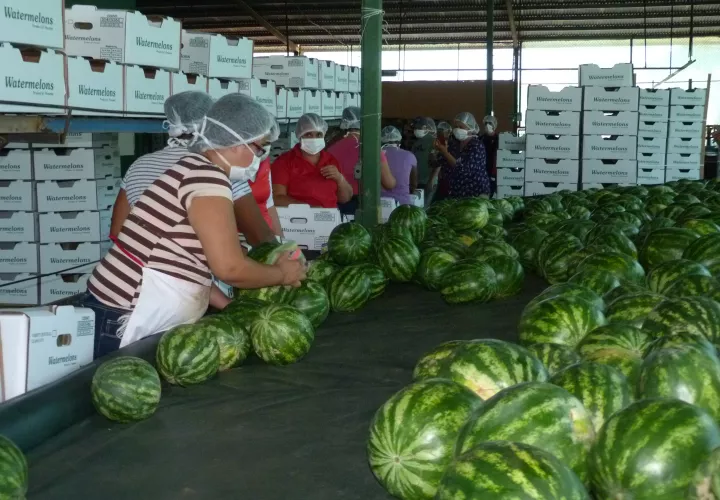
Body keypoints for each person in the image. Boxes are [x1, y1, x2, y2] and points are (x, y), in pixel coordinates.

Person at [78, 94, 306, 359]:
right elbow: (229, 267)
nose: (260, 158)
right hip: (125, 312)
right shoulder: (207, 178)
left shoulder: (194, 168)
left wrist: (229, 306)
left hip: (121, 307)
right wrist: (282, 275)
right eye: (260, 148)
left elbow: (183, 260)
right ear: (236, 142)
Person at [110, 91, 278, 247]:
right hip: (188, 272)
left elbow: (118, 232)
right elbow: (259, 236)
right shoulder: (217, 168)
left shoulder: (138, 165)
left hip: (137, 268)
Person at [272, 113, 353, 208]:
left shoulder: (331, 160)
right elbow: (277, 198)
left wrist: (340, 179)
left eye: (318, 134)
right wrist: (309, 208)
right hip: (298, 218)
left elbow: (345, 198)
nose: (314, 139)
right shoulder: (285, 161)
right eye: (308, 134)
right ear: (300, 136)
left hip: (330, 217)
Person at [327, 106, 396, 215]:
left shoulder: (331, 150)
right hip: (367, 205)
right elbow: (389, 184)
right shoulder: (373, 149)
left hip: (339, 207)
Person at [434, 111, 491, 199]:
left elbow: (463, 169)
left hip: (475, 193)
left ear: (470, 128)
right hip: (456, 193)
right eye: (456, 126)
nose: (457, 129)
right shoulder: (454, 144)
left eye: (461, 127)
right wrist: (437, 151)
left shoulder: (476, 146)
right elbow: (439, 162)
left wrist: (445, 152)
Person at [380, 125, 417, 205]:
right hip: (402, 204)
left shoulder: (376, 156)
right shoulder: (409, 156)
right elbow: (414, 184)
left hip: (379, 203)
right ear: (399, 141)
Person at [409, 117, 437, 190]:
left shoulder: (434, 142)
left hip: (427, 181)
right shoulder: (416, 143)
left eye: (418, 127)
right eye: (415, 127)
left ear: (426, 128)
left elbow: (437, 164)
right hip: (416, 181)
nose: (415, 129)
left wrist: (431, 180)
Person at [481, 115, 499, 196]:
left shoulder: (498, 139)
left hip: (493, 171)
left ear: (494, 125)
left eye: (490, 123)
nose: (487, 125)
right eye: (486, 123)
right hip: (482, 170)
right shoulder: (481, 139)